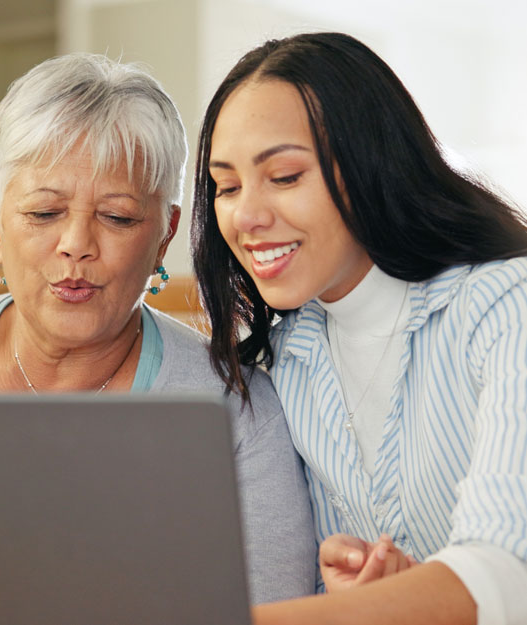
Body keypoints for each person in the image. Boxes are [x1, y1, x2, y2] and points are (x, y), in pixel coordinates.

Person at [0, 53, 317, 604]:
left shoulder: (239, 409)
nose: (77, 244)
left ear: (164, 238)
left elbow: (273, 606)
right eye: (43, 213)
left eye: (118, 217)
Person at [190, 32, 527, 624]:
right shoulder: (287, 360)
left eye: (286, 176)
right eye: (227, 186)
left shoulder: (505, 305)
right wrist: (373, 597)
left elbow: (505, 569)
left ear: (372, 164)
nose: (246, 216)